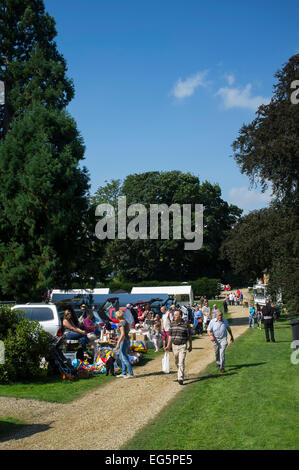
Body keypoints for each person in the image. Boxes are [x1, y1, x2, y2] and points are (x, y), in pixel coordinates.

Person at [165, 309, 192, 385]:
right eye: (174, 315)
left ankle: (180, 378)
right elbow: (170, 336)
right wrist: (168, 346)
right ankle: (179, 372)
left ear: (180, 316)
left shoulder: (186, 324)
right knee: (176, 361)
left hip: (183, 345)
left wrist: (190, 345)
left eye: (176, 315)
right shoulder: (172, 324)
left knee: (181, 362)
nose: (174, 316)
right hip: (174, 346)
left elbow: (189, 335)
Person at [114, 310, 134, 378]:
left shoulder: (121, 324)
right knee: (122, 357)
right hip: (127, 340)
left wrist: (118, 343)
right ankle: (124, 373)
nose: (115, 316)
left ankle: (130, 373)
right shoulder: (126, 322)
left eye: (115, 315)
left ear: (118, 316)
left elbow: (122, 334)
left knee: (124, 357)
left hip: (123, 341)